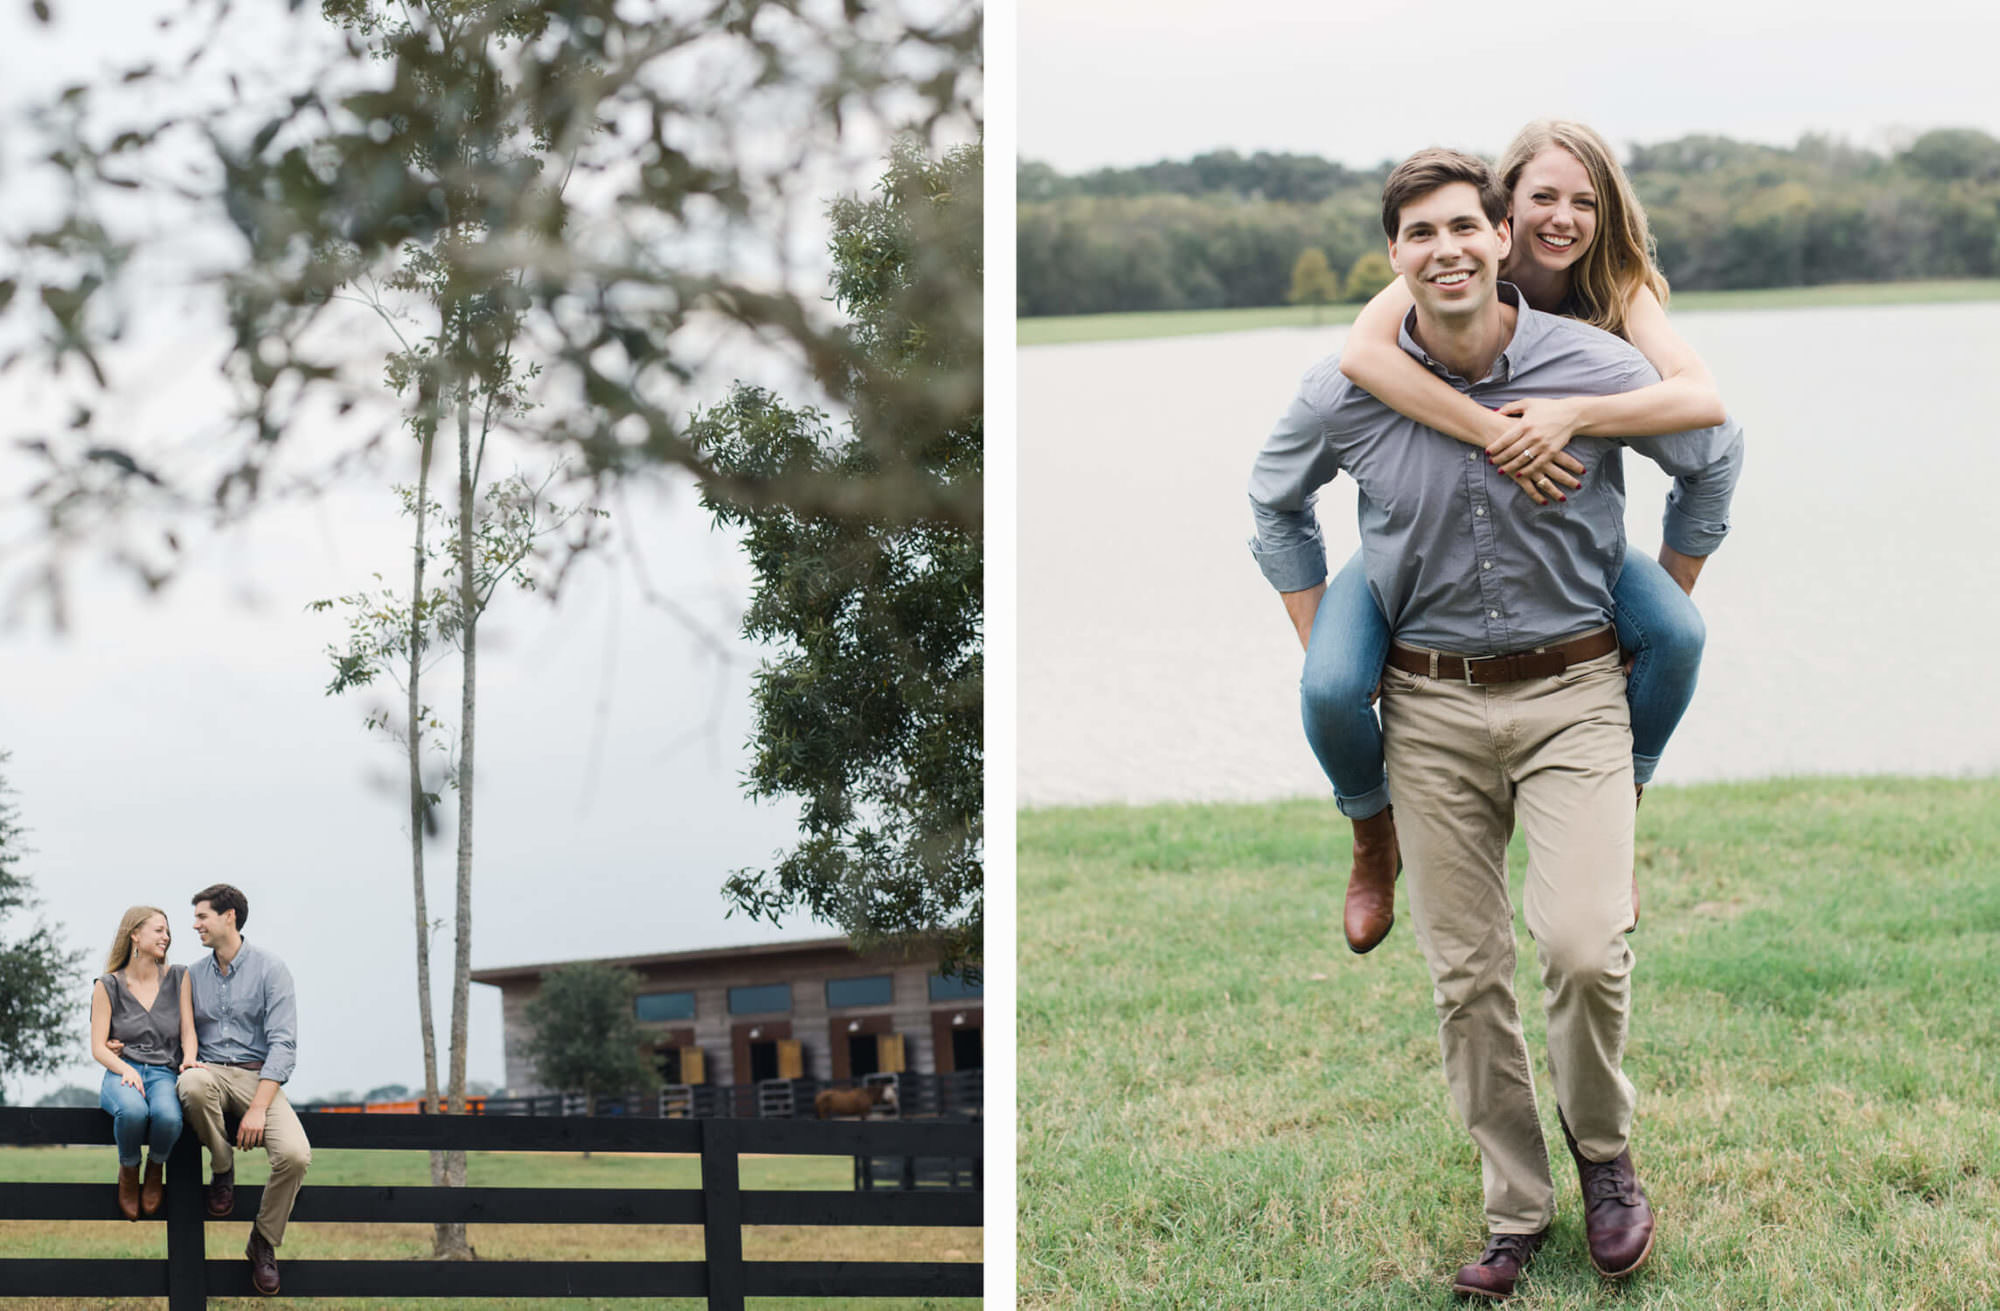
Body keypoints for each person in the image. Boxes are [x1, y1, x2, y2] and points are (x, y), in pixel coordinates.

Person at [1248, 147, 1741, 1298]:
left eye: (1464, 226)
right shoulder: (1345, 388)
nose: (1446, 249)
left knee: (1581, 948)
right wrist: (1327, 638)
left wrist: (1665, 590)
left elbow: (1711, 456)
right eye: (1419, 233)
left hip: (1574, 697)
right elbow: (1271, 504)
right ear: (1393, 255)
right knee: (1465, 979)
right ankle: (1513, 1211)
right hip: (1425, 709)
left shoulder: (1594, 363)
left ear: (1500, 238)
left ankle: (1605, 1160)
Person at [1307, 120, 1731, 954]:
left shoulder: (1620, 292)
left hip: (1561, 538)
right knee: (1329, 686)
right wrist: (1495, 433)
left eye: (1586, 202)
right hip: (1425, 537)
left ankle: (1617, 815)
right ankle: (1370, 833)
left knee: (1676, 634)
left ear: (1610, 213)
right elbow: (1362, 355)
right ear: (1507, 211)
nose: (1562, 218)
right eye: (1543, 197)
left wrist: (1573, 416)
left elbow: (1704, 405)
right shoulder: (1455, 256)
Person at [176, 883, 309, 1296]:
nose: (195, 925)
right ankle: (222, 1167)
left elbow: (284, 1045)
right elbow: (178, 1031)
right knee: (191, 1083)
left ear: (228, 916)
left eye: (202, 916)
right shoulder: (191, 975)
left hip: (259, 1078)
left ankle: (263, 1240)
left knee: (295, 1156)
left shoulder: (271, 969)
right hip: (211, 1073)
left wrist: (258, 1108)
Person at [90, 906, 198, 1220]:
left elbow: (188, 1031)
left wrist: (189, 1060)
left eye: (167, 931)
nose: (166, 937)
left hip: (164, 1071)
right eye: (159, 930)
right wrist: (126, 1069)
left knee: (169, 1118)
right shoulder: (107, 985)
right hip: (122, 1071)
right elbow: (98, 1047)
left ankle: (155, 1167)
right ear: (135, 934)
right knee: (133, 1112)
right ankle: (129, 1169)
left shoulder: (179, 976)